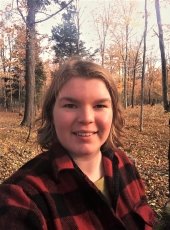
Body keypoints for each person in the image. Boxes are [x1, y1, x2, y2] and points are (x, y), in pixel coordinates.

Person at [0, 58, 156, 229]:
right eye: (70, 105)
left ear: (113, 113)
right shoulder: (22, 197)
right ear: (51, 113)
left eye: (99, 105)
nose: (86, 118)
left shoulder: (124, 164)